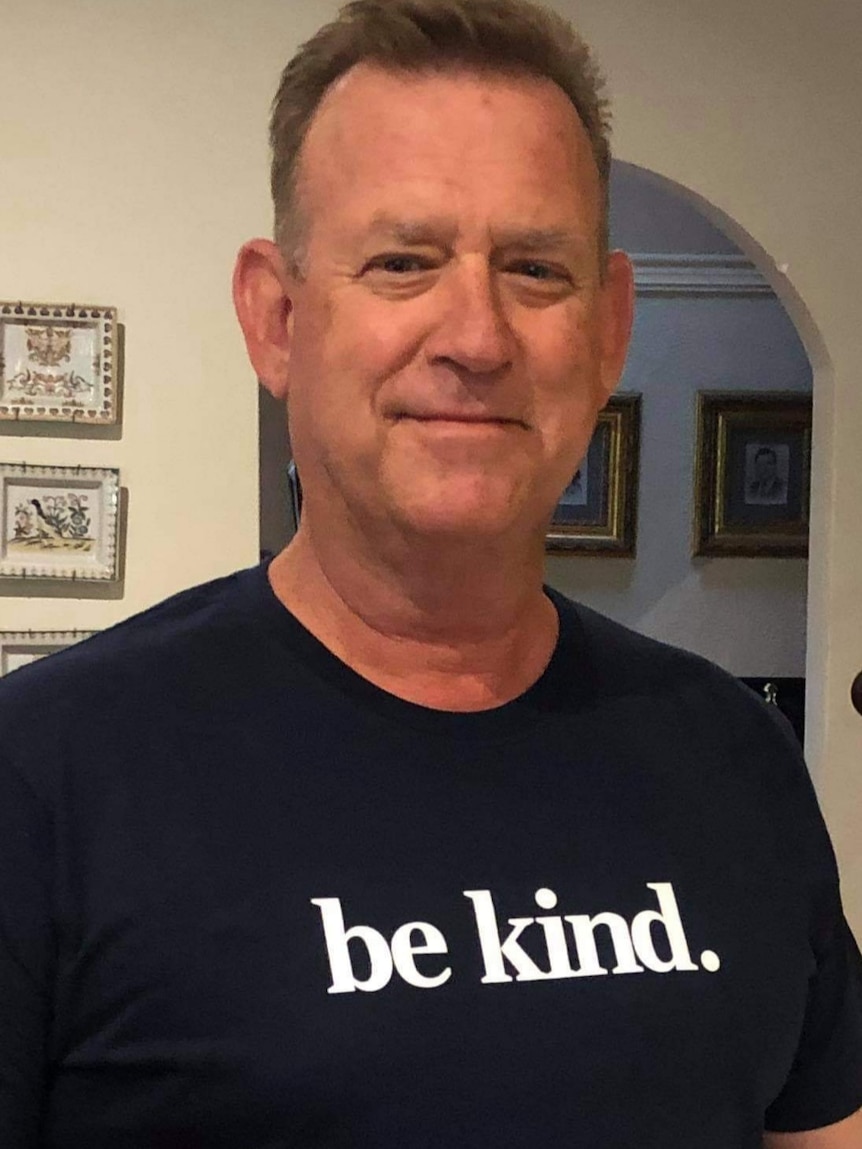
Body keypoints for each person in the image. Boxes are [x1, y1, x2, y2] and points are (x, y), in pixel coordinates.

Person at [1, 1, 861, 1145]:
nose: (477, 335)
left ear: (607, 331)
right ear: (276, 317)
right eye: (403, 262)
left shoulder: (733, 758)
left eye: (534, 268)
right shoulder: (44, 777)